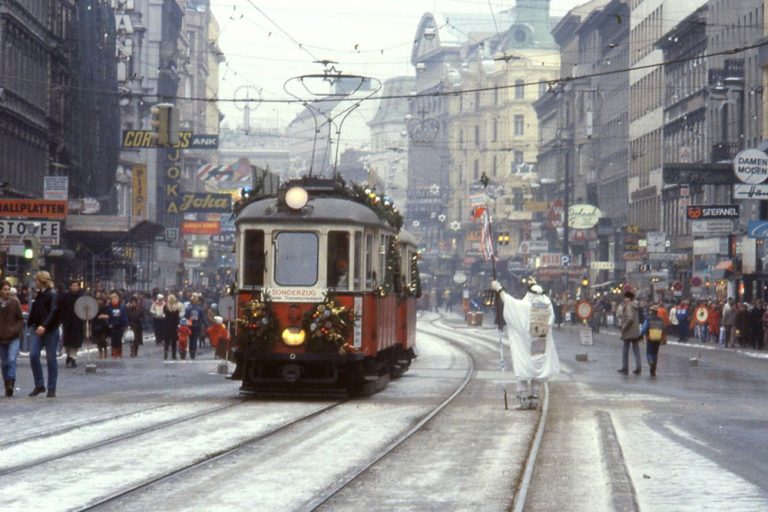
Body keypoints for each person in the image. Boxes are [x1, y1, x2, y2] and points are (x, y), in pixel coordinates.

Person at [490, 279, 560, 409]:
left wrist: (499, 288)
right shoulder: (547, 305)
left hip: (524, 346)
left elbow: (509, 301)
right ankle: (534, 398)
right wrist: (534, 284)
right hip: (540, 344)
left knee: (523, 369)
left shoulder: (524, 306)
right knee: (538, 371)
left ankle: (523, 399)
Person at [27, 271, 60, 397]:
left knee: (51, 359)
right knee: (33, 355)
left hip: (50, 330)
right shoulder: (41, 294)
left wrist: (44, 325)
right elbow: (36, 310)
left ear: (41, 281)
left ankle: (51, 388)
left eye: (37, 280)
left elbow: (53, 311)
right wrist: (32, 322)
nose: (35, 282)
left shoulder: (52, 294)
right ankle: (39, 384)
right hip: (38, 328)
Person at [1, 280, 24, 397]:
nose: (7, 291)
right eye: (5, 289)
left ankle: (11, 383)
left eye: (8, 289)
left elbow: (21, 319)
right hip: (1, 338)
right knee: (4, 363)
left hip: (13, 337)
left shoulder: (14, 302)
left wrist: (15, 329)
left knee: (11, 359)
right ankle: (6, 384)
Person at [59, 280, 84, 368]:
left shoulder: (81, 296)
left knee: (76, 341)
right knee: (67, 341)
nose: (74, 287)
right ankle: (69, 355)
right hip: (67, 321)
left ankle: (73, 357)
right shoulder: (65, 296)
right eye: (73, 285)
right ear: (70, 286)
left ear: (78, 287)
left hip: (78, 321)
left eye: (76, 285)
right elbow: (60, 307)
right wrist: (61, 319)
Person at [618, 288, 642, 375]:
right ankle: (638, 367)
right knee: (636, 350)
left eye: (625, 297)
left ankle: (625, 368)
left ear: (628, 298)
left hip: (628, 331)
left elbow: (630, 318)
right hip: (635, 331)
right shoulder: (635, 306)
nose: (624, 299)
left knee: (625, 350)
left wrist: (624, 327)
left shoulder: (628, 306)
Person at [645, 304, 667, 377]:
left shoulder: (648, 319)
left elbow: (644, 329)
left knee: (649, 353)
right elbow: (663, 329)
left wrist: (642, 334)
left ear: (651, 311)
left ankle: (651, 363)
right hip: (658, 338)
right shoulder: (661, 320)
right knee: (655, 353)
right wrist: (664, 339)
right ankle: (653, 370)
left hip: (650, 338)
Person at [184, 294, 206, 359]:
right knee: (195, 339)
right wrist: (206, 325)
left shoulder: (188, 308)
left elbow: (186, 317)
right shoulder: (200, 309)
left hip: (189, 325)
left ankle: (191, 351)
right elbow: (203, 318)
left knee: (190, 339)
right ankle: (193, 351)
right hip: (197, 325)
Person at [106, 293, 128, 358]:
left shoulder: (122, 307)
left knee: (119, 339)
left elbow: (124, 316)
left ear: (118, 299)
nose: (114, 300)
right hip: (113, 325)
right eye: (112, 299)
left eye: (115, 298)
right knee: (113, 339)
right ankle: (114, 353)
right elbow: (107, 317)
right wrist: (109, 324)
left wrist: (126, 324)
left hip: (120, 325)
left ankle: (119, 353)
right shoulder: (109, 308)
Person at [162, 294, 183, 360]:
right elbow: (177, 318)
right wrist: (178, 325)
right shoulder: (176, 309)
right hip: (174, 326)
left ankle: (165, 352)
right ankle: (173, 355)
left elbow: (164, 315)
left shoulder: (165, 307)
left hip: (167, 325)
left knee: (167, 341)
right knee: (174, 341)